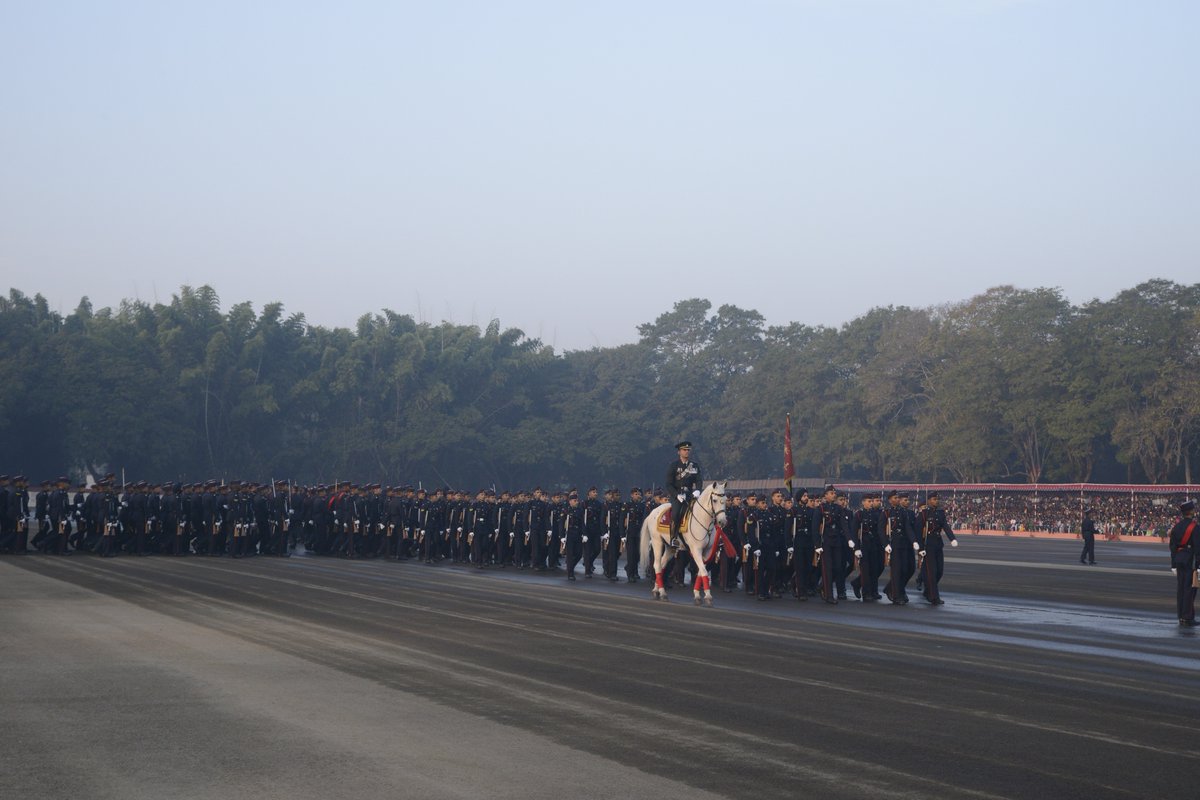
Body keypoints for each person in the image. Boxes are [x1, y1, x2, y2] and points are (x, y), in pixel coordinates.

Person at [666, 441, 702, 543]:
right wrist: (676, 495)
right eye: (684, 450)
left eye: (688, 450)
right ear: (679, 452)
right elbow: (668, 484)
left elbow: (699, 480)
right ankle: (673, 538)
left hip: (690, 495)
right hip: (677, 495)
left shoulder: (694, 465)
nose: (687, 452)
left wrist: (698, 490)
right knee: (676, 513)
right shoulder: (673, 465)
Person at [1168, 500, 1198, 627]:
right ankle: (1187, 617)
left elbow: (1172, 547)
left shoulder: (1176, 527)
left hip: (1179, 560)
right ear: (1191, 511)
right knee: (1189, 590)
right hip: (1190, 560)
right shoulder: (1195, 527)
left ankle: (1181, 615)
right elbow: (1198, 548)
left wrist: (1173, 565)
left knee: (1180, 589)